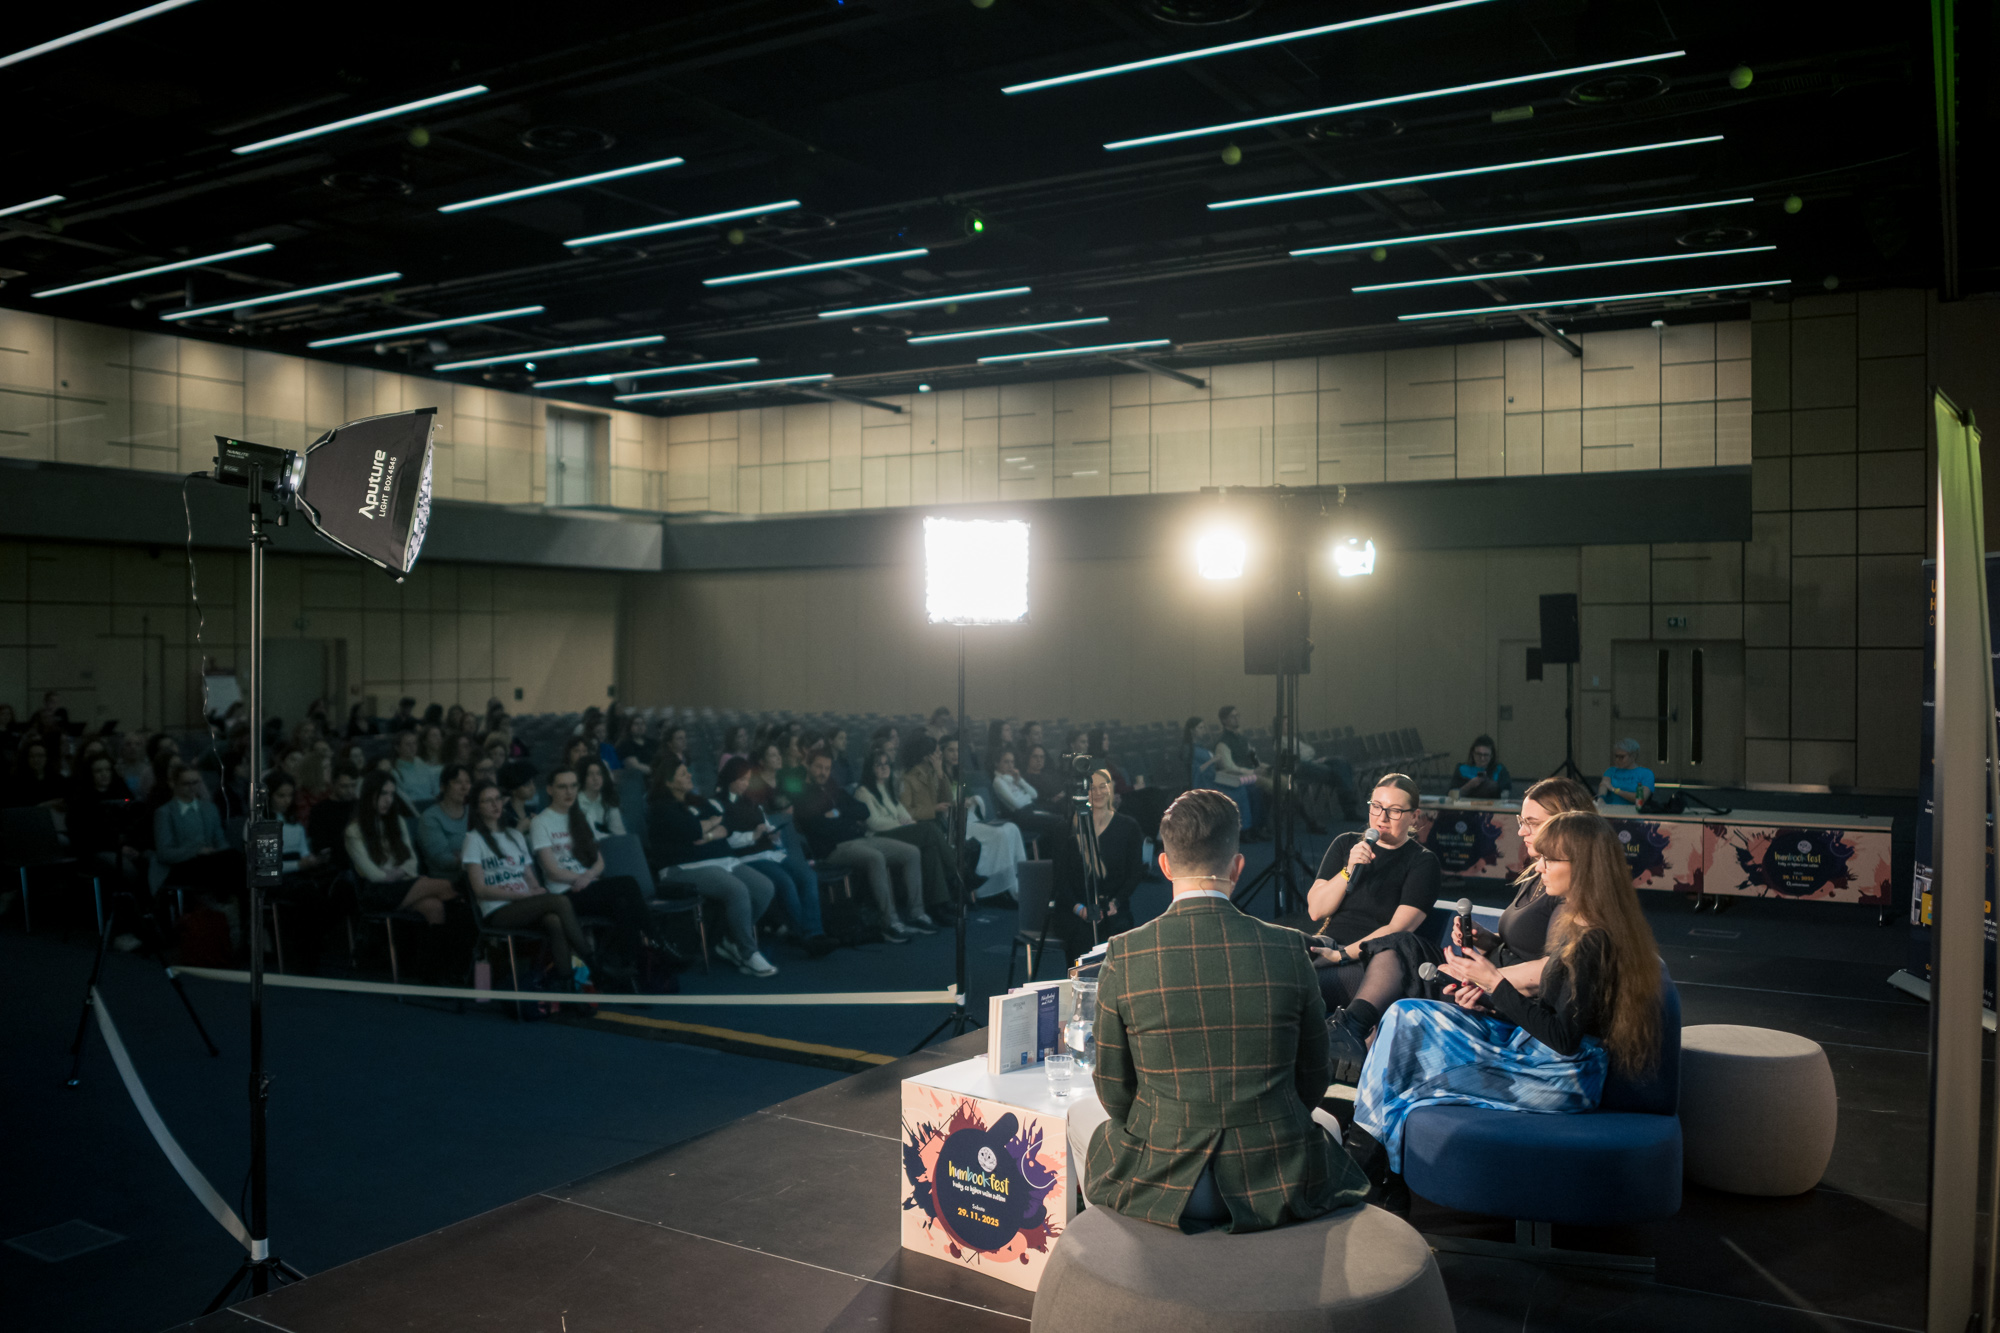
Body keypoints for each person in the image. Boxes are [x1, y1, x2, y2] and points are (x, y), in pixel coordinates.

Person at [1083, 788, 1369, 1232]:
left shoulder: (1124, 953)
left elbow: (1114, 1090)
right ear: (1237, 866)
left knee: (1082, 1121)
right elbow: (1313, 1079)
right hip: (1276, 1175)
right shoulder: (1290, 949)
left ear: (1165, 866)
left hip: (1162, 1178)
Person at [1347, 809, 1664, 1204]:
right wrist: (1489, 1001)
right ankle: (1376, 1170)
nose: (1540, 867)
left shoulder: (1591, 939)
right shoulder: (1575, 921)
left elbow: (1564, 1039)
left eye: (1550, 860)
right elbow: (1550, 1013)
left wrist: (1495, 984)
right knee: (1404, 1015)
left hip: (1561, 1078)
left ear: (1583, 866)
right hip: (1538, 1056)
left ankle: (1366, 1168)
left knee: (1407, 1048)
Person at [1319, 776, 1594, 1063]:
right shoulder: (1539, 875)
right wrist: (1487, 939)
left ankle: (1349, 1030)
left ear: (1567, 825)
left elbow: (1556, 969)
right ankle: (1350, 1032)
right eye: (1521, 820)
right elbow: (1526, 946)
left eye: (1532, 823)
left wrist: (1481, 978)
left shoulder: (1567, 888)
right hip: (1489, 979)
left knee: (1398, 950)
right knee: (1394, 949)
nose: (1521, 830)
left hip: (1503, 993)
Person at [1303, 774, 1441, 1027]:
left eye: (1395, 811)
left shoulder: (1422, 861)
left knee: (1305, 984)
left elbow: (1398, 929)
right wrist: (1348, 869)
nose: (1382, 818)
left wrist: (1342, 955)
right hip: (1329, 943)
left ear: (1414, 816)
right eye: (1376, 806)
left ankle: (1347, 1033)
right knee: (1284, 946)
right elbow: (1316, 910)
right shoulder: (1346, 844)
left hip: (1375, 959)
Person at [647, 758, 781, 977]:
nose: (690, 775)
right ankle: (748, 953)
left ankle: (731, 939)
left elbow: (726, 824)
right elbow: (691, 830)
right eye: (683, 774)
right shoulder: (661, 809)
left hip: (720, 860)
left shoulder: (698, 801)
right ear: (669, 782)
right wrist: (709, 826)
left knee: (764, 887)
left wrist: (707, 832)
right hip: (682, 867)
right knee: (737, 890)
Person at [462, 780, 594, 991]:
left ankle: (568, 989)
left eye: (497, 799)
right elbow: (480, 889)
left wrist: (535, 889)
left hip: (524, 903)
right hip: (497, 910)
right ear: (477, 808)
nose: (495, 805)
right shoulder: (473, 839)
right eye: (488, 801)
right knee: (560, 901)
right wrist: (523, 896)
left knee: (554, 921)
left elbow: (529, 876)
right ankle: (593, 962)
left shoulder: (515, 835)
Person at [529, 767, 653, 985]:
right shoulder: (541, 822)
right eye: (562, 787)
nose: (569, 792)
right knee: (628, 883)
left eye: (573, 786)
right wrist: (580, 879)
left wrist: (588, 876)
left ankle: (631, 969)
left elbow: (600, 861)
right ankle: (655, 943)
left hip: (589, 886)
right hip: (566, 893)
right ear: (549, 790)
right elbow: (551, 870)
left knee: (624, 905)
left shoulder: (581, 816)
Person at [346, 771, 470, 981]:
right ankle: (464, 957)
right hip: (376, 893)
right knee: (447, 888)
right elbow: (373, 874)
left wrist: (396, 872)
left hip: (403, 884)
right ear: (369, 795)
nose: (388, 799)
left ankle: (431, 972)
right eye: (382, 794)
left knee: (434, 907)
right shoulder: (354, 830)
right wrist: (396, 872)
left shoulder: (397, 821)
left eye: (391, 794)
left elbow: (412, 863)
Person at [794, 751, 928, 944]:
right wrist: (844, 817)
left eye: (827, 768)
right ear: (808, 765)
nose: (823, 772)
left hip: (860, 839)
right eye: (819, 767)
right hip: (832, 848)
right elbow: (818, 827)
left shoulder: (834, 789)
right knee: (875, 857)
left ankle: (917, 913)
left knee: (911, 852)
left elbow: (863, 811)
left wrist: (837, 813)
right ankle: (889, 922)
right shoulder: (802, 794)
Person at [716, 757, 832, 957]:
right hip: (747, 857)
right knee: (785, 882)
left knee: (808, 876)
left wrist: (772, 833)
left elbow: (766, 825)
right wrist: (753, 836)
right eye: (742, 779)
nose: (745, 784)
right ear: (730, 779)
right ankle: (806, 936)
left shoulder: (751, 802)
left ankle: (816, 932)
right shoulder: (720, 804)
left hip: (769, 852)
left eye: (747, 779)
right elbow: (727, 840)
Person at [1050, 769, 1144, 963]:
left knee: (1117, 933)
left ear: (1111, 788)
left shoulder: (1129, 827)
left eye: (1103, 787)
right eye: (1092, 788)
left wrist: (1115, 903)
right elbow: (1060, 879)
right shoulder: (1066, 829)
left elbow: (1135, 873)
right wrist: (1080, 909)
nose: (1098, 793)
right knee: (1082, 938)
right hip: (1075, 910)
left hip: (1114, 907)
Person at [856, 748, 957, 925]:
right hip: (879, 836)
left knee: (930, 849)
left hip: (895, 832)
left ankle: (938, 905)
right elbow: (874, 823)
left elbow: (906, 817)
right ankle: (959, 870)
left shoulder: (887, 790)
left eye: (886, 764)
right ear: (870, 768)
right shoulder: (863, 792)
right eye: (878, 765)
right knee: (929, 829)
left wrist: (905, 823)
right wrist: (901, 824)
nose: (884, 767)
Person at [151, 763, 246, 930]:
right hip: (180, 865)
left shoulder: (209, 809)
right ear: (174, 784)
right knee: (232, 861)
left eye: (196, 782)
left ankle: (241, 913)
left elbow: (220, 840)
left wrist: (215, 852)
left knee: (234, 858)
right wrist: (196, 850)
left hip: (208, 861)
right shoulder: (165, 813)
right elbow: (164, 853)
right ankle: (234, 908)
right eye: (186, 783)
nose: (192, 787)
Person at [942, 735, 1028, 907]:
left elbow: (966, 794)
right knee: (999, 835)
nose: (955, 754)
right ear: (941, 752)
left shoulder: (960, 775)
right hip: (953, 823)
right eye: (950, 750)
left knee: (1011, 828)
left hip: (968, 817)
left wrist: (970, 800)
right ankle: (995, 889)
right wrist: (958, 802)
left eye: (958, 750)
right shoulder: (940, 776)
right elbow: (945, 800)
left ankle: (1016, 884)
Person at [989, 748, 1063, 847]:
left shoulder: (1011, 778)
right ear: (997, 763)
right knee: (1059, 822)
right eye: (1006, 762)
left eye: (1012, 762)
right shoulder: (998, 781)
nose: (1010, 765)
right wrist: (1026, 797)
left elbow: (1034, 794)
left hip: (1031, 809)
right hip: (1022, 816)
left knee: (1061, 820)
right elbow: (1017, 804)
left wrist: (1019, 780)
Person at [1212, 705, 1264, 840]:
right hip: (1234, 779)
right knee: (1256, 789)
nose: (1236, 718)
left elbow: (1253, 757)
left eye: (1237, 715)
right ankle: (1252, 829)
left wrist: (1260, 768)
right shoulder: (1222, 743)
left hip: (1250, 775)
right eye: (1232, 716)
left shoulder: (1242, 739)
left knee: (1273, 785)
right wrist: (1252, 771)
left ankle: (1261, 826)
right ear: (1224, 720)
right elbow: (1229, 767)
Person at [416, 764, 475, 880]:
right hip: (449, 881)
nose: (464, 787)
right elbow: (442, 859)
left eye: (468, 782)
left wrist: (462, 855)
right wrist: (476, 857)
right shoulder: (430, 818)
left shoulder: (473, 811)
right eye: (457, 782)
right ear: (443, 787)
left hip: (478, 874)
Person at [310, 768, 360, 872]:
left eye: (353, 785)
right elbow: (319, 843)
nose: (350, 790)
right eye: (344, 786)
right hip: (335, 863)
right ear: (333, 784)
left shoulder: (360, 806)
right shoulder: (321, 809)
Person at [6, 737, 66, 808]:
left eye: (40, 756)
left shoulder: (58, 780)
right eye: (32, 756)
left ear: (47, 758)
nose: (36, 759)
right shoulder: (16, 782)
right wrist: (41, 806)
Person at [576, 758, 627, 837]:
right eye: (590, 774)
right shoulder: (574, 801)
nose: (595, 778)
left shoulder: (608, 800)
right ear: (583, 777)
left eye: (599, 773)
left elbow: (619, 834)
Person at [1451, 735, 1512, 800]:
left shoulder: (1499, 770)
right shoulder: (1462, 769)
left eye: (1486, 755)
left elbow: (1505, 792)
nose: (1482, 758)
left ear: (1491, 755)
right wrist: (1469, 785)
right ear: (1473, 753)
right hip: (1466, 804)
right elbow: (1451, 795)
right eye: (1478, 754)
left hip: (1492, 804)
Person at [1599, 738, 1655, 806]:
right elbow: (1604, 785)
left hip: (1634, 810)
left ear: (1633, 756)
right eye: (1616, 756)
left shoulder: (1646, 773)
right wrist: (1601, 799)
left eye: (1622, 757)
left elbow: (1641, 798)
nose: (1617, 760)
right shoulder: (1611, 771)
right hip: (1611, 809)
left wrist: (1615, 790)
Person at [391, 728, 441, 806]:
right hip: (413, 807)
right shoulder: (395, 771)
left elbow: (434, 788)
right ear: (397, 748)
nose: (412, 747)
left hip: (432, 805)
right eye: (408, 744)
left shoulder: (420, 762)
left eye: (414, 743)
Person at [499, 760, 540, 830]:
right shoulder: (504, 815)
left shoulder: (532, 811)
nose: (532, 788)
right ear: (514, 789)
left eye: (533, 782)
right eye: (527, 784)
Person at [617, 714, 657, 781]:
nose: (640, 726)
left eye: (642, 724)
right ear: (630, 727)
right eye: (636, 724)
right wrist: (656, 771)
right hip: (636, 780)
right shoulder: (625, 745)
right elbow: (636, 766)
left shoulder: (653, 743)